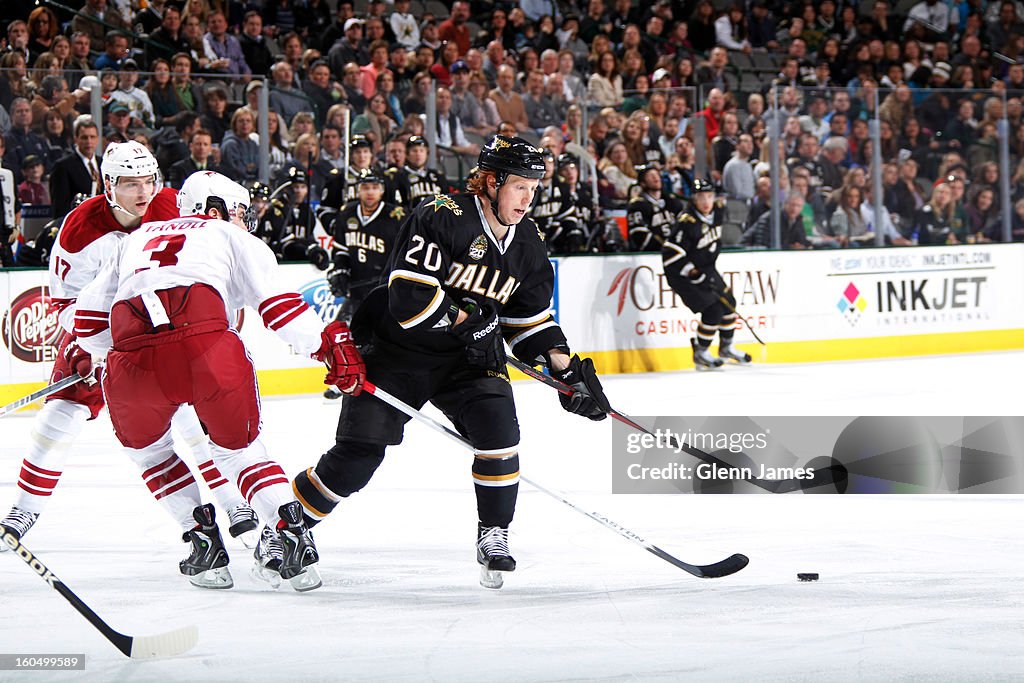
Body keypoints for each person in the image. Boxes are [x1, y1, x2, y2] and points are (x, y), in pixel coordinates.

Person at [291, 136, 611, 589]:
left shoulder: (529, 245)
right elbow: (409, 298)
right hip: (399, 351)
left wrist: (565, 370)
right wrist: (469, 322)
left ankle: (494, 534)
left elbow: (529, 321)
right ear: (491, 181)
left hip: (467, 358)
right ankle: (290, 525)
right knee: (359, 455)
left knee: (500, 432)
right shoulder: (441, 215)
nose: (527, 198)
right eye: (519, 185)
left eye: (534, 188)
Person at [71, 172, 362, 591]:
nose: (244, 221)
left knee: (152, 454)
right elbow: (278, 308)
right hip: (206, 349)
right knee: (238, 453)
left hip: (133, 362)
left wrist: (104, 356)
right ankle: (291, 530)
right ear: (214, 209)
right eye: (240, 212)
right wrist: (324, 348)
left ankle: (202, 541)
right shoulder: (229, 235)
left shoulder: (134, 238)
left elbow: (88, 324)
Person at [0, 144, 260, 559]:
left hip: (171, 326)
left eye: (148, 181)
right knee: (57, 419)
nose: (144, 192)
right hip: (102, 331)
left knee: (195, 417)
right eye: (131, 184)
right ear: (108, 185)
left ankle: (233, 505)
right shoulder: (78, 230)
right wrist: (91, 350)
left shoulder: (176, 204)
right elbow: (65, 306)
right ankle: (23, 511)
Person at [323, 169, 406, 399]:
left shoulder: (396, 216)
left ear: (382, 190)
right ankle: (342, 379)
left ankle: (391, 381)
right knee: (343, 334)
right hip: (357, 288)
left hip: (384, 291)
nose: (370, 192)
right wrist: (339, 270)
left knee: (384, 338)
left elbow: (402, 252)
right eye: (365, 187)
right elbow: (340, 250)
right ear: (358, 190)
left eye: (374, 187)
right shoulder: (346, 213)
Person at [661, 178, 751, 369]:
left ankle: (726, 347)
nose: (706, 202)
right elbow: (670, 254)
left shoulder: (717, 213)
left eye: (709, 196)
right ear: (694, 199)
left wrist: (703, 271)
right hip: (681, 274)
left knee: (729, 304)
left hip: (707, 268)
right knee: (713, 310)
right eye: (701, 197)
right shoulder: (686, 222)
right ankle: (701, 352)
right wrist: (692, 273)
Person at [382, 135, 449, 212]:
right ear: (407, 154)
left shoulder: (438, 176)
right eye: (414, 151)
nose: (418, 154)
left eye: (421, 150)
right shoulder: (397, 177)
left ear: (427, 154)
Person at [628, 164, 684, 252]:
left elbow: (684, 228)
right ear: (643, 183)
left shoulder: (673, 202)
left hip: (676, 251)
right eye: (650, 175)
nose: (655, 178)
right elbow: (639, 235)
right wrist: (664, 248)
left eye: (657, 174)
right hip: (652, 254)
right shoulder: (637, 206)